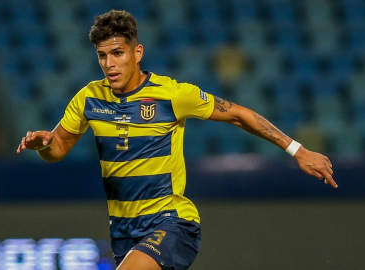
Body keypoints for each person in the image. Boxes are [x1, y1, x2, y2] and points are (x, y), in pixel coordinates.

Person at [17, 10, 337, 270]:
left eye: (117, 53)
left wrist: (297, 149)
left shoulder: (172, 94)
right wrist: (42, 145)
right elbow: (57, 149)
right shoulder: (88, 98)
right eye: (102, 55)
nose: (110, 63)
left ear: (137, 52)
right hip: (124, 232)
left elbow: (239, 114)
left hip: (172, 223)